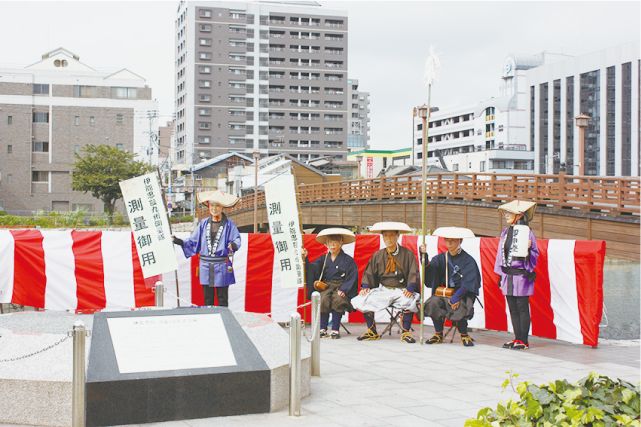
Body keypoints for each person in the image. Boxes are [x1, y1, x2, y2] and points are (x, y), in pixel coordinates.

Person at [351, 222, 421, 343]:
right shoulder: (378, 255)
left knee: (410, 301)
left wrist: (410, 287)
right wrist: (366, 286)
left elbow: (413, 273)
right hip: (385, 290)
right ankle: (372, 330)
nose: (388, 238)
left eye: (391, 235)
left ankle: (405, 332)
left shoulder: (408, 254)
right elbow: (369, 273)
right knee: (364, 299)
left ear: (397, 235)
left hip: (402, 290)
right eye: (385, 235)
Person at [172, 190, 241, 307]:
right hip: (205, 265)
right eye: (212, 206)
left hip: (222, 264)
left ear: (222, 207)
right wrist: (178, 241)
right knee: (208, 298)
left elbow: (236, 239)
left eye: (217, 206)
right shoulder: (203, 223)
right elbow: (193, 241)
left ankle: (224, 321)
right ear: (209, 207)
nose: (214, 208)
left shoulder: (230, 224)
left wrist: (233, 245)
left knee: (222, 298)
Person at [422, 227, 481, 347]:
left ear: (460, 241)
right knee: (433, 302)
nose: (449, 243)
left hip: (463, 294)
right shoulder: (441, 258)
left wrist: (457, 296)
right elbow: (431, 271)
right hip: (446, 293)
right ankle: (438, 333)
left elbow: (470, 282)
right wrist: (424, 258)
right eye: (447, 240)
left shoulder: (468, 260)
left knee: (458, 305)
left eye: (453, 240)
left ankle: (464, 335)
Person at [495, 200, 539, 350]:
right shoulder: (505, 232)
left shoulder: (527, 232)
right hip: (508, 275)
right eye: (506, 212)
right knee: (512, 308)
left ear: (519, 215)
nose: (506, 215)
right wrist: (501, 275)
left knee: (522, 308)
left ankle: (524, 340)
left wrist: (529, 248)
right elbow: (500, 256)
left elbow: (535, 255)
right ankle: (517, 338)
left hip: (521, 275)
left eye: (509, 212)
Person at [302, 228, 358, 339]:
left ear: (341, 243)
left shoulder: (348, 260)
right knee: (323, 299)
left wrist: (344, 289)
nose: (332, 245)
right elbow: (312, 270)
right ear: (326, 244)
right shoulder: (324, 259)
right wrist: (305, 257)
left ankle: (335, 329)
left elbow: (352, 276)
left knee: (338, 300)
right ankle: (323, 328)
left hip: (341, 287)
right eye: (330, 242)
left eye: (335, 242)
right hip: (327, 286)